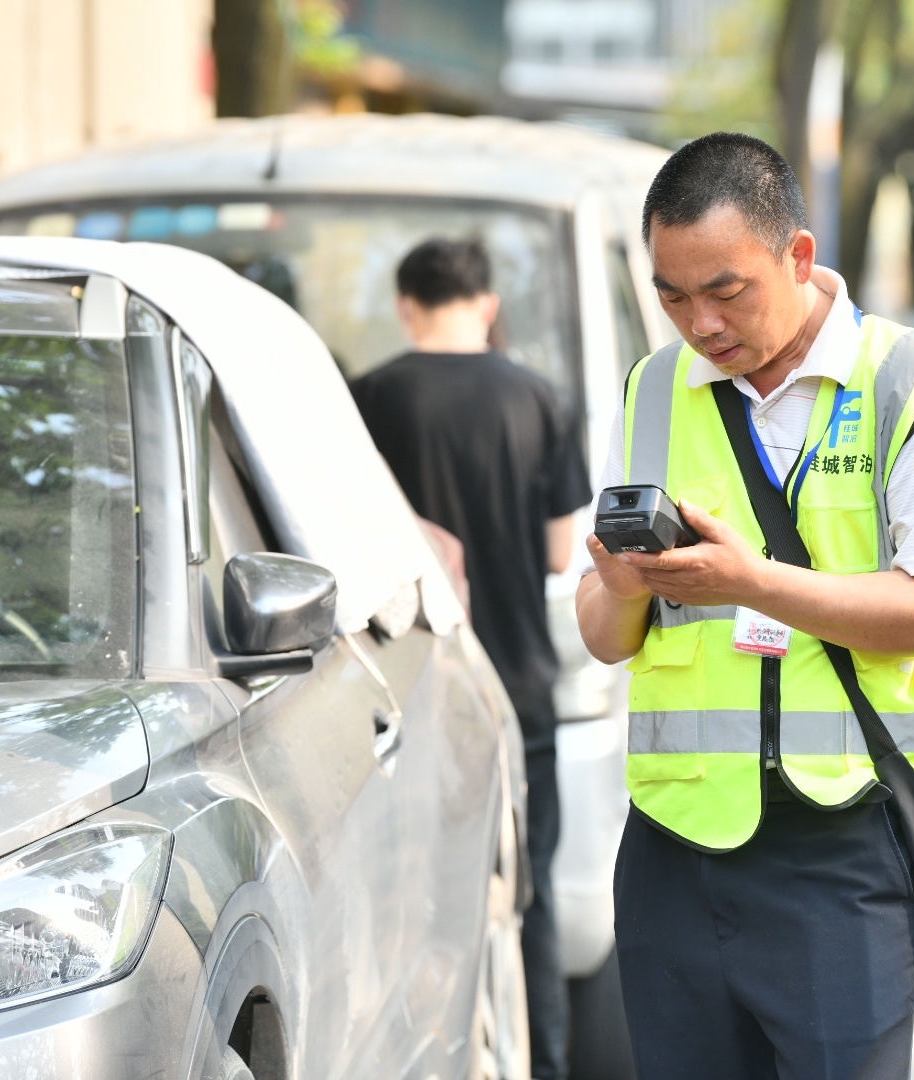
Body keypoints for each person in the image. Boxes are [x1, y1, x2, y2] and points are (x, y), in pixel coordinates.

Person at [575, 133, 914, 1079]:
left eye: (726, 291)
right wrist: (624, 582)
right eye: (672, 295)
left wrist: (748, 581)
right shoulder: (652, 393)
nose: (700, 323)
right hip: (674, 846)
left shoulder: (911, 381)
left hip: (843, 843)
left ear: (798, 257)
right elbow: (603, 638)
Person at [351, 237, 592, 1080]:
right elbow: (564, 552)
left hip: (401, 693)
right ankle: (545, 1066)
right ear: (486, 305)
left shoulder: (369, 398)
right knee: (525, 901)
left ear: (406, 305)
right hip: (517, 686)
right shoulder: (541, 398)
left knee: (409, 906)